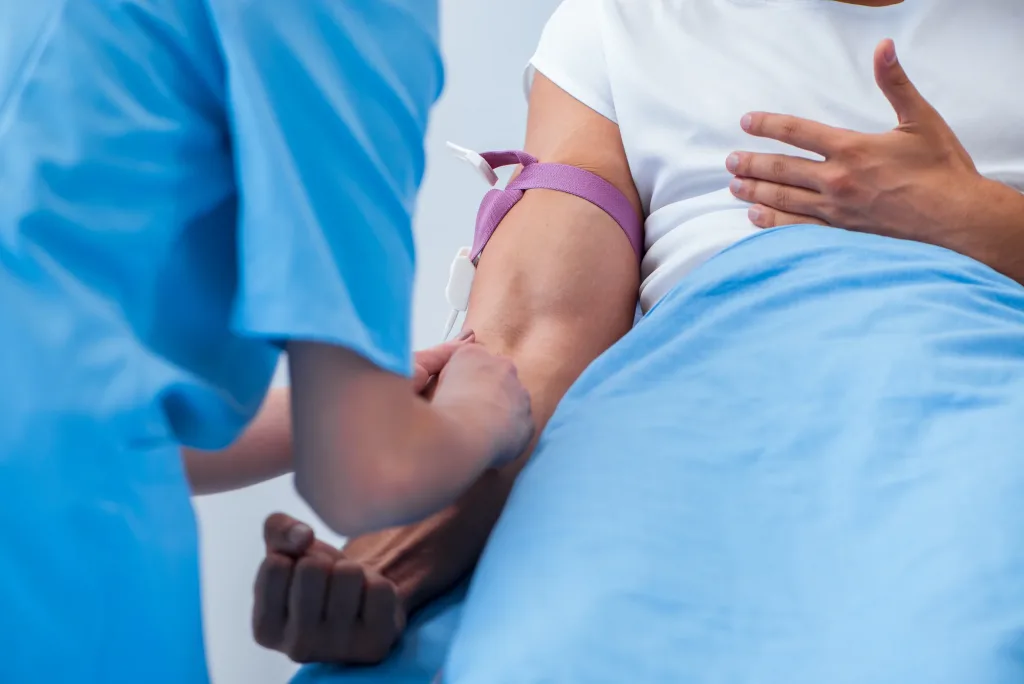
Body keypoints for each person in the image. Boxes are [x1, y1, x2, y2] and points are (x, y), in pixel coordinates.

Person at [253, 0, 1024, 681]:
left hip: (979, 371)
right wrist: (391, 562)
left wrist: (978, 222)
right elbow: (538, 336)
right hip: (692, 391)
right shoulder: (619, 24)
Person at [0, 1, 536, 683]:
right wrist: (483, 416)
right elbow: (366, 479)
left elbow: (68, 384)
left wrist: (340, 413)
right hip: (52, 545)